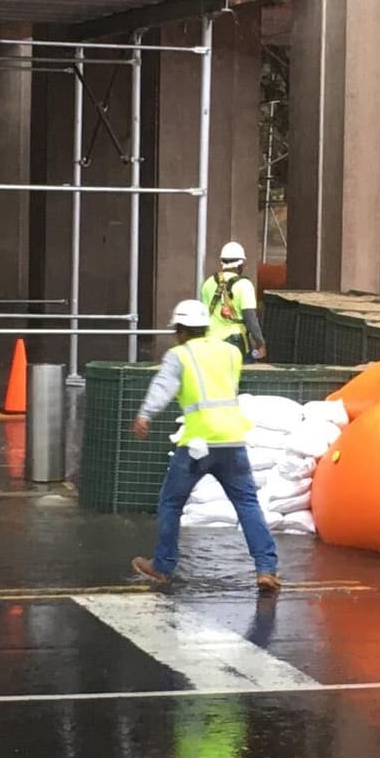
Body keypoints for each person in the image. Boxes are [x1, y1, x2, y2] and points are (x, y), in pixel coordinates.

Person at [129, 298, 281, 593]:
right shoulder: (231, 352)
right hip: (232, 439)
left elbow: (163, 387)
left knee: (172, 503)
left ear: (182, 330)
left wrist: (145, 414)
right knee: (247, 504)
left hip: (198, 441)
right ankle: (266, 569)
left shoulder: (179, 355)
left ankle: (162, 565)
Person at [200, 242, 267, 362]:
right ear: (240, 264)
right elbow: (250, 318)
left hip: (210, 342)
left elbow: (204, 315)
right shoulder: (244, 285)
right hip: (235, 343)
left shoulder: (208, 283)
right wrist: (260, 342)